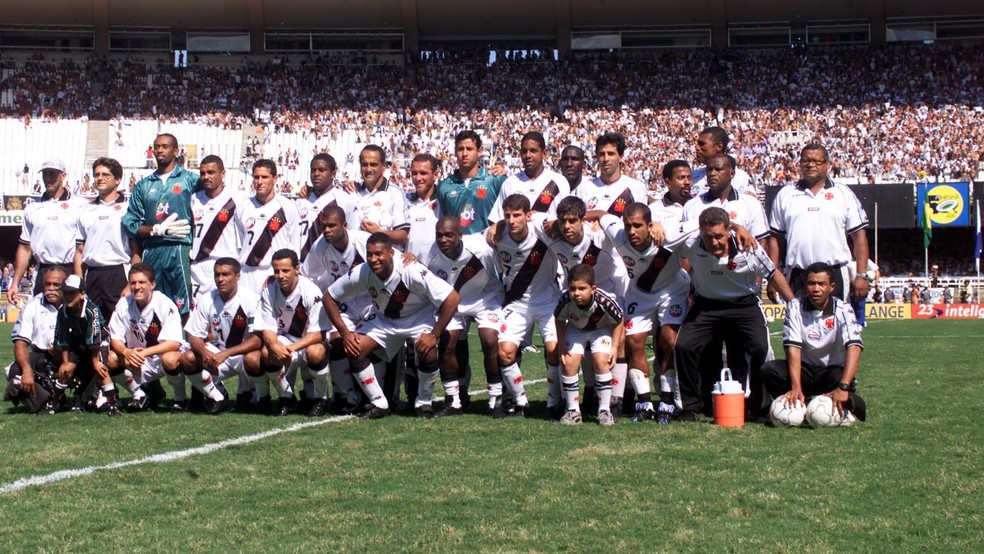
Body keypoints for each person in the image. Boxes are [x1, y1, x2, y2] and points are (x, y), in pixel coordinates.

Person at [670, 207, 795, 421]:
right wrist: (736, 225)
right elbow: (667, 236)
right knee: (684, 345)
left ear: (729, 232)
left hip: (743, 305)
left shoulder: (749, 248)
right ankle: (689, 407)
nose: (714, 242)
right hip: (705, 305)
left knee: (760, 347)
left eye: (719, 236)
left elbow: (773, 274)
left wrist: (794, 305)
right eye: (708, 237)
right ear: (700, 233)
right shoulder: (691, 243)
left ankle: (758, 405)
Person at [323, 233, 460, 419]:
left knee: (428, 351)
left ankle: (424, 402)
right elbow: (329, 297)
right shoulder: (363, 271)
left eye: (379, 254)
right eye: (369, 254)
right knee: (354, 349)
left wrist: (434, 335)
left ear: (391, 253)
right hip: (384, 319)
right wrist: (345, 334)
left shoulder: (411, 270)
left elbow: (452, 298)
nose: (373, 259)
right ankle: (379, 403)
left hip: (418, 318)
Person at [761, 262, 867, 424]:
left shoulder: (843, 309)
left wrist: (844, 386)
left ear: (831, 287)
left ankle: (844, 401)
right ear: (805, 285)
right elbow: (793, 349)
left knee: (841, 376)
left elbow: (854, 348)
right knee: (769, 370)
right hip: (805, 372)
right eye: (811, 283)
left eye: (821, 284)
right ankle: (796, 405)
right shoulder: (796, 307)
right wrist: (796, 386)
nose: (816, 289)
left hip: (831, 372)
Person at [767, 143, 870, 303]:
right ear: (799, 164)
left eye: (816, 161)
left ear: (827, 164)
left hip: (834, 273)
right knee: (798, 326)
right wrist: (773, 275)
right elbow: (775, 238)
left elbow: (859, 236)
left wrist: (862, 275)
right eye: (806, 161)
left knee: (835, 326)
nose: (810, 164)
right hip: (798, 274)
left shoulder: (843, 193)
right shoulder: (786, 194)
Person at [424, 215, 504, 417]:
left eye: (449, 235)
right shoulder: (429, 254)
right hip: (453, 303)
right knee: (447, 343)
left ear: (460, 235)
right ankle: (454, 400)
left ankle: (496, 399)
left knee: (489, 341)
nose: (443, 240)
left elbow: (502, 270)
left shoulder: (481, 249)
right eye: (439, 235)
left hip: (485, 298)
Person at [492, 194, 562, 417]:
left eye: (517, 215)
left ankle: (554, 401)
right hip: (517, 303)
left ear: (527, 215)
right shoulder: (497, 237)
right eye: (507, 216)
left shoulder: (543, 234)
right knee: (505, 353)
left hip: (548, 300)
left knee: (553, 349)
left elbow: (559, 225)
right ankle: (521, 401)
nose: (512, 221)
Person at [121, 134, 198, 315]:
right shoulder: (144, 185)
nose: (160, 150)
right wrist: (155, 230)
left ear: (176, 151)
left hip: (178, 247)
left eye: (165, 146)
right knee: (150, 302)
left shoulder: (190, 180)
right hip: (152, 249)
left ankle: (183, 342)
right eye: (156, 147)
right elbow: (130, 222)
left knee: (182, 303)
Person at [180, 257, 264, 415]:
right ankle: (217, 396)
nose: (220, 279)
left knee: (254, 359)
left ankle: (256, 396)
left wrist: (225, 354)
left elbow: (257, 340)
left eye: (225, 274)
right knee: (188, 358)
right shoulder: (207, 299)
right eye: (217, 275)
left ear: (238, 276)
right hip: (216, 353)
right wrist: (205, 353)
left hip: (242, 355)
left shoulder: (251, 299)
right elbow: (193, 335)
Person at [255, 249, 331, 416]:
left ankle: (321, 398)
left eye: (285, 270)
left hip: (309, 340)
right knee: (267, 352)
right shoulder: (269, 290)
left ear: (297, 269)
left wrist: (292, 348)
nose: (280, 275)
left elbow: (320, 333)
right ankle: (287, 397)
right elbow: (267, 327)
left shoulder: (311, 291)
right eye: (276, 271)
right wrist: (274, 344)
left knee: (315, 352)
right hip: (286, 339)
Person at [106, 264, 184, 412]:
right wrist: (127, 352)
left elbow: (174, 342)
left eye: (142, 282)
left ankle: (180, 398)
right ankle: (139, 393)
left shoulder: (164, 303)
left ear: (152, 284)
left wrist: (144, 353)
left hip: (159, 360)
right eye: (133, 283)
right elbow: (115, 339)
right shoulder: (124, 304)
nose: (137, 287)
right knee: (111, 358)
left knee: (171, 359)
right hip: (136, 358)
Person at [554, 264, 624, 426]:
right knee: (569, 362)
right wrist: (562, 345)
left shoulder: (604, 300)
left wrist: (614, 348)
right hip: (576, 329)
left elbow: (619, 320)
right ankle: (573, 411)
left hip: (600, 329)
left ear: (593, 289)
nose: (576, 293)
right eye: (572, 288)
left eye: (582, 288)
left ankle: (604, 410)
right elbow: (558, 319)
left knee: (601, 360)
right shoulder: (565, 300)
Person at [10, 157, 85, 305]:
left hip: (70, 269)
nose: (48, 178)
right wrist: (15, 283)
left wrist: (79, 279)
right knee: (42, 322)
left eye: (52, 174)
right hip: (43, 271)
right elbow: (25, 248)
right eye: (45, 174)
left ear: (63, 175)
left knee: (72, 321)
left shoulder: (79, 205)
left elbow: (83, 247)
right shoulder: (32, 208)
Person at [74, 157, 139, 323]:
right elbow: (80, 251)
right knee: (91, 326)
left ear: (117, 179)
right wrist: (79, 284)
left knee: (121, 326)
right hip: (93, 274)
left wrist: (131, 282)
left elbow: (136, 249)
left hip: (118, 272)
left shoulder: (128, 207)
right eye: (96, 175)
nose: (99, 178)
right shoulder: (85, 210)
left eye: (105, 174)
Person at [48, 274, 120, 416]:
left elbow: (94, 337)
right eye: (65, 292)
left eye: (72, 293)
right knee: (66, 369)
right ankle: (55, 400)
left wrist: (95, 360)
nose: (68, 296)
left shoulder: (91, 311)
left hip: (100, 340)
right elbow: (63, 338)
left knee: (101, 367)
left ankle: (112, 402)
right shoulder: (62, 312)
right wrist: (65, 361)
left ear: (82, 294)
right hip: (79, 341)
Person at [3, 266, 67, 413]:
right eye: (47, 284)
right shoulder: (32, 305)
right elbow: (20, 343)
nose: (51, 288)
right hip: (43, 356)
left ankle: (85, 397)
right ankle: (48, 398)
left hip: (71, 355)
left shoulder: (76, 303)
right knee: (15, 370)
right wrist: (26, 370)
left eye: (56, 285)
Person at [189, 155, 249, 301]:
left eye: (211, 172)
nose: (206, 177)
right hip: (198, 269)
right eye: (202, 173)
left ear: (222, 173)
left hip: (224, 267)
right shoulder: (194, 199)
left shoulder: (237, 199)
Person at [236, 159, 300, 293]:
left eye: (264, 177)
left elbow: (294, 245)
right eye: (256, 177)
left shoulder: (287, 207)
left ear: (275, 179)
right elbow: (239, 244)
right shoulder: (243, 207)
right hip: (246, 273)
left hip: (274, 274)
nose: (259, 182)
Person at [436, 130, 507, 234]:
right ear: (455, 152)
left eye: (469, 149)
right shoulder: (444, 186)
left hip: (488, 247)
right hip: (457, 248)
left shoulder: (495, 180)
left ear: (479, 152)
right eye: (460, 149)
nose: (464, 154)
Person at [490, 131, 570, 222]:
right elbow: (498, 219)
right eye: (524, 151)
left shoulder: (559, 182)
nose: (528, 155)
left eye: (533, 151)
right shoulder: (510, 183)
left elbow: (568, 218)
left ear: (544, 154)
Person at [297, 153, 359, 264]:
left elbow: (354, 236)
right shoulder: (301, 200)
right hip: (301, 267)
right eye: (313, 170)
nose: (316, 174)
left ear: (333, 174)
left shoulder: (345, 201)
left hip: (330, 268)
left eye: (321, 170)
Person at [573, 132, 647, 218]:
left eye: (611, 154)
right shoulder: (584, 188)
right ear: (596, 157)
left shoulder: (636, 188)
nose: (606, 159)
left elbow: (640, 222)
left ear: (621, 157)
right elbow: (575, 218)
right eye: (601, 154)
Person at [353, 145, 410, 246]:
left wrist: (379, 234)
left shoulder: (395, 193)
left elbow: (402, 236)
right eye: (364, 164)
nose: (368, 169)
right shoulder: (352, 191)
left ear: (383, 166)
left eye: (373, 164)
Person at [689, 126, 755, 197]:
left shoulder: (740, 178)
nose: (697, 148)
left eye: (702, 144)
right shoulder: (694, 176)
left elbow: (752, 205)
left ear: (719, 147)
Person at [406, 153, 442, 259]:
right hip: (410, 267)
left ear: (435, 175)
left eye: (423, 173)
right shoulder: (405, 201)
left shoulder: (444, 201)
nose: (418, 178)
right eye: (414, 173)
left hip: (438, 268)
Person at [650, 160, 692, 225]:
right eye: (681, 178)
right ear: (668, 182)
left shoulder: (699, 204)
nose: (687, 182)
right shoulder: (653, 211)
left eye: (689, 178)